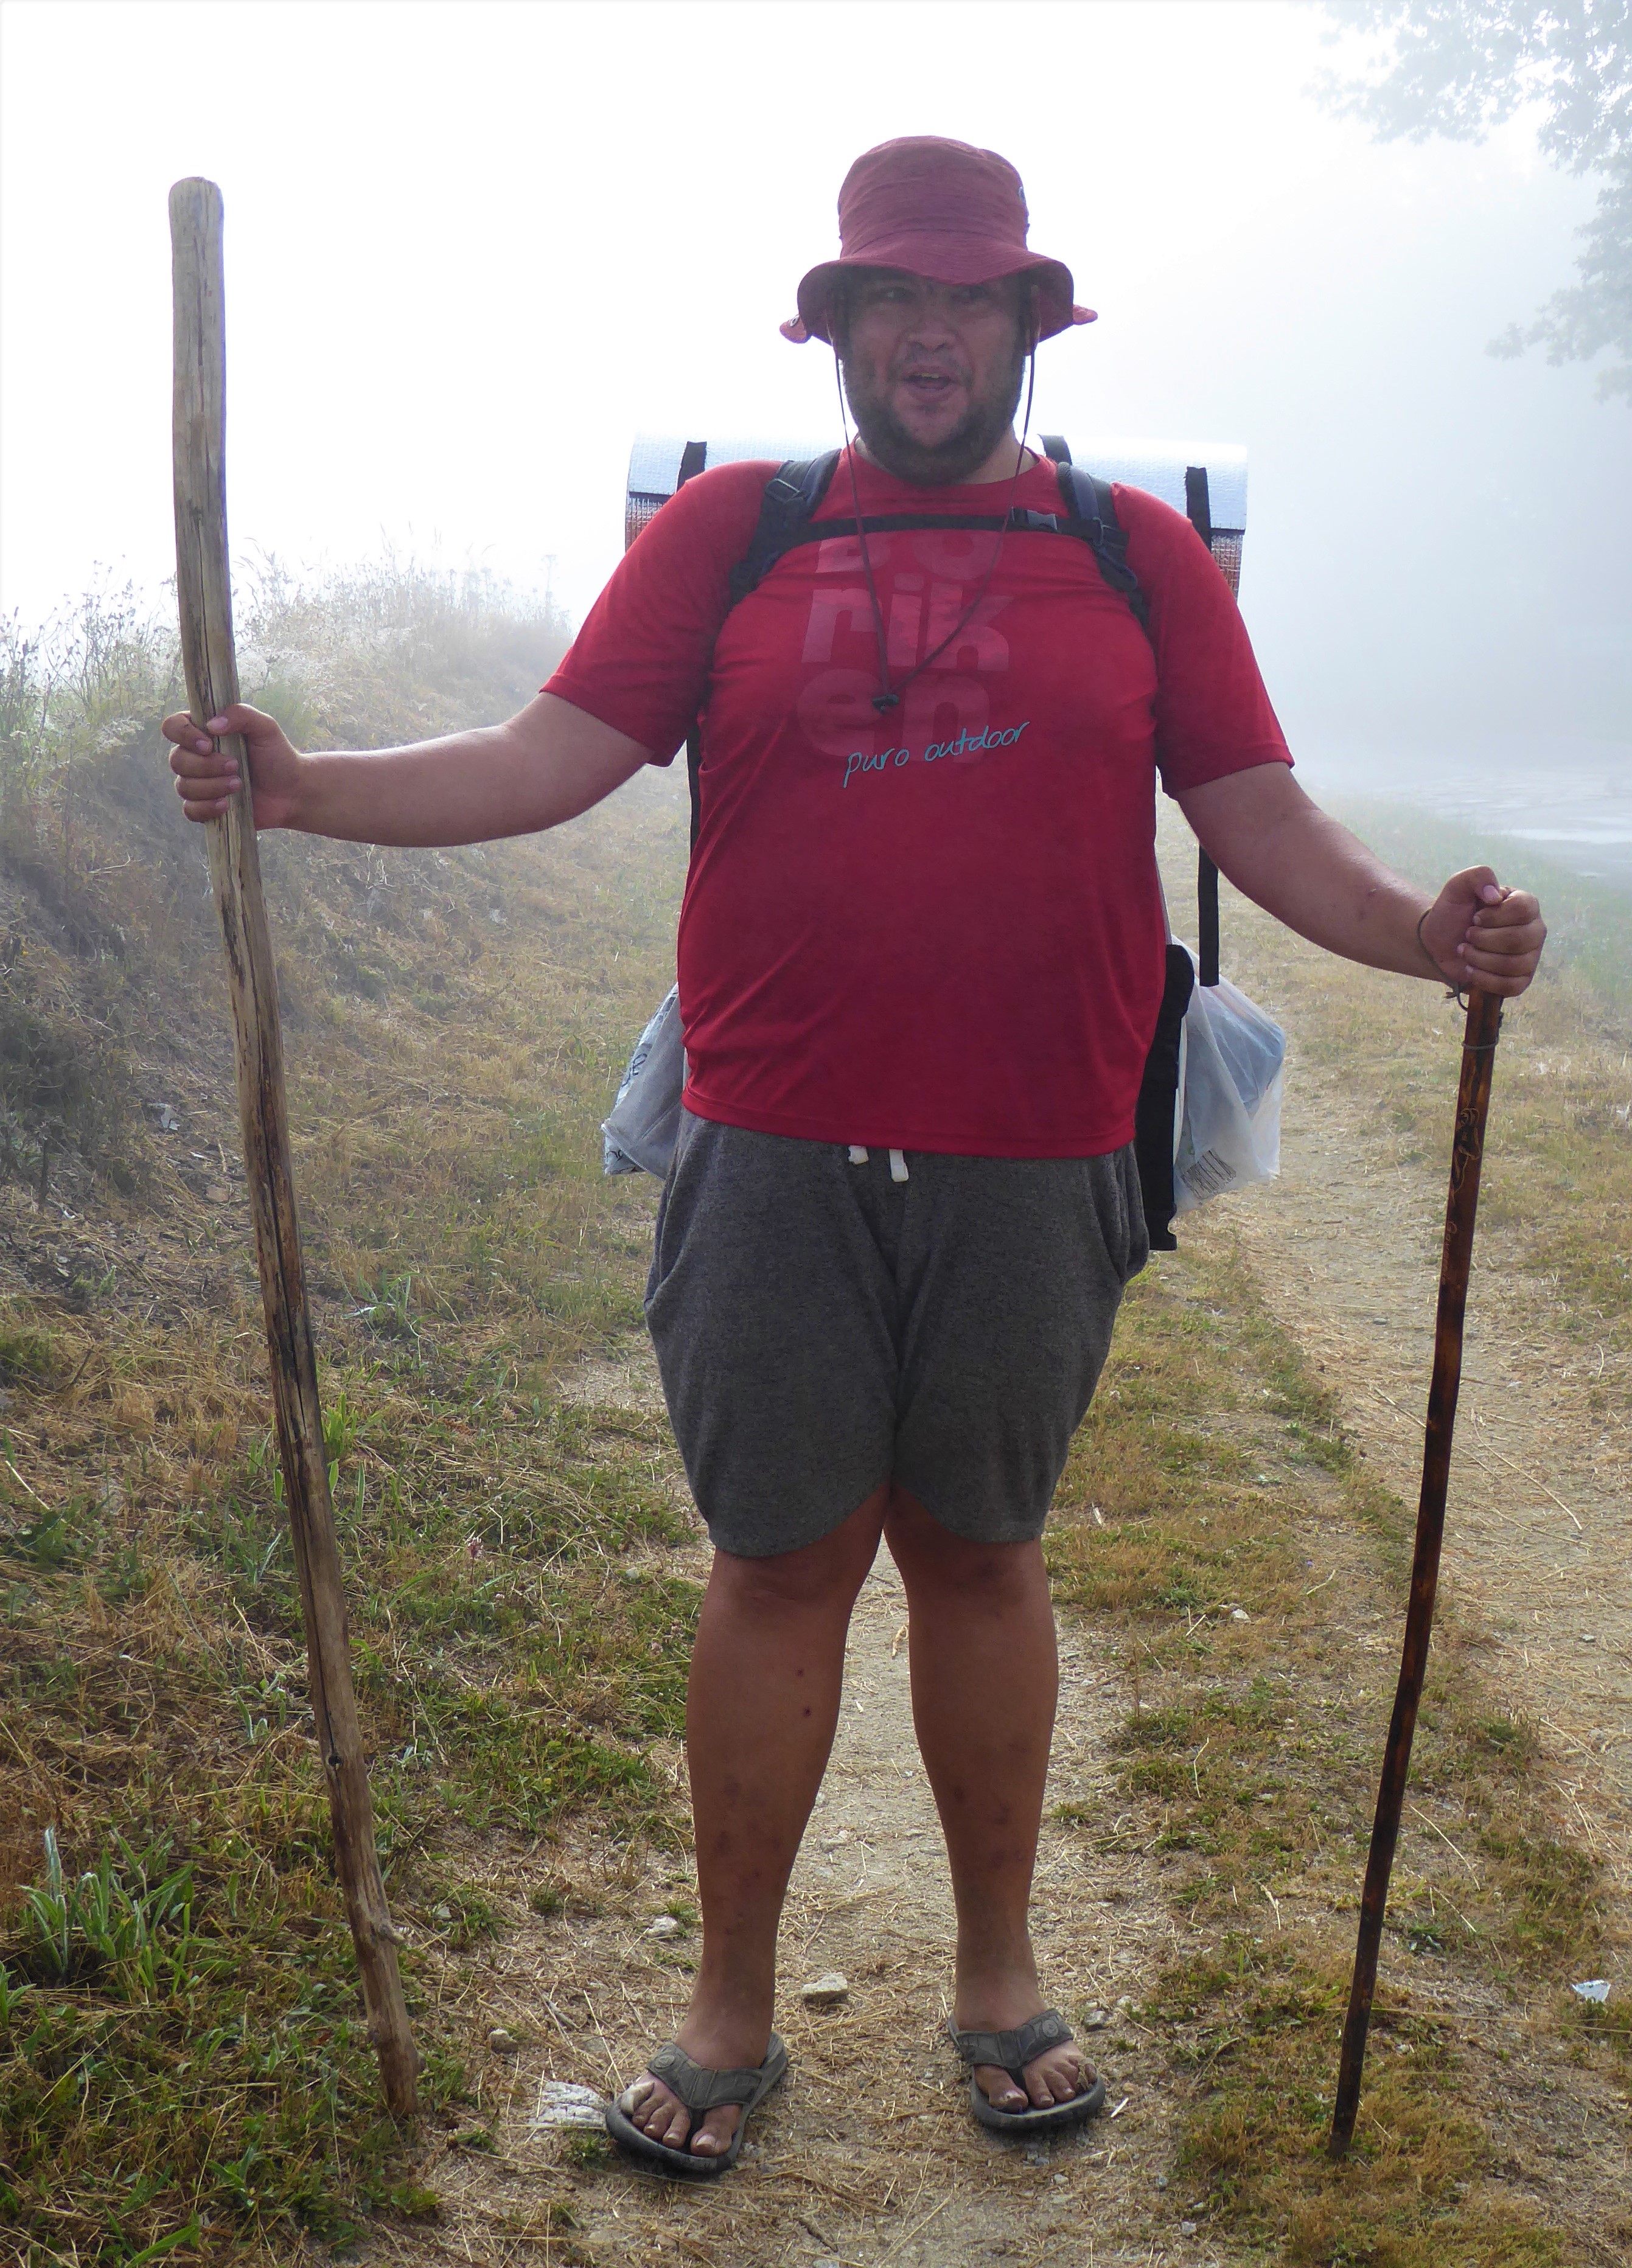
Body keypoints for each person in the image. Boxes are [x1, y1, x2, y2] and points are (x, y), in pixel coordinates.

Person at [164, 134, 1546, 2179]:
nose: (926, 333)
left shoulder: (1127, 554)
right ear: (835, 329)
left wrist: (1422, 935)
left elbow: (1253, 809)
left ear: (1024, 326)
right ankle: (728, 2005)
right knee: (775, 1563)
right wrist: (308, 790)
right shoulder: (736, 530)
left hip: (1041, 1142)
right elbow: (551, 754)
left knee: (981, 1552)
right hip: (772, 1138)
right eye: (889, 298)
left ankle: (997, 1978)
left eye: (965, 300)